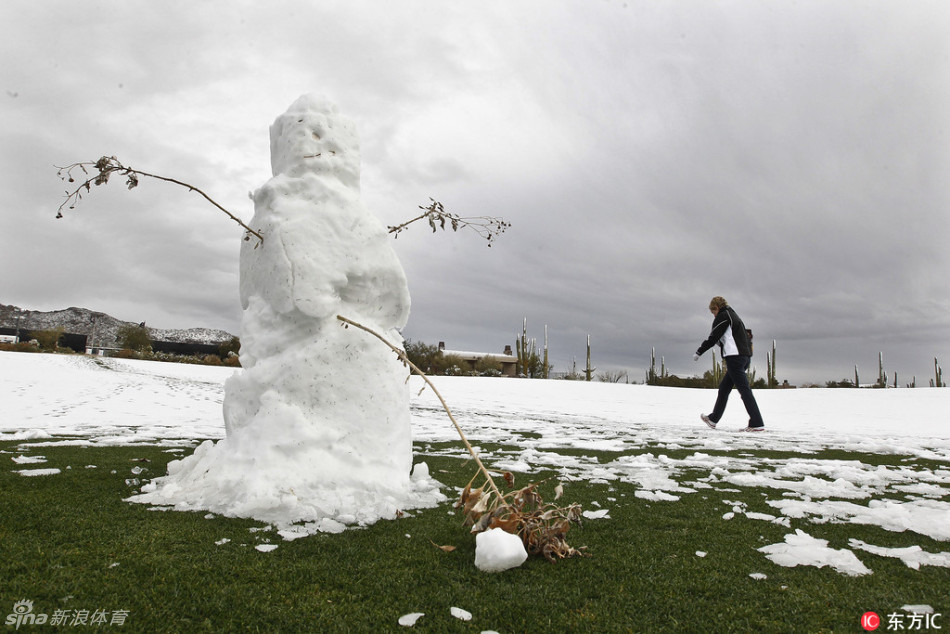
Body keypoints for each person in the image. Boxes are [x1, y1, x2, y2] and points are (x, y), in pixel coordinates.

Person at [693, 296, 765, 431]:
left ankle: (757, 423)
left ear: (716, 308)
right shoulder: (733, 315)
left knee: (744, 390)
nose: (713, 315)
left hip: (735, 358)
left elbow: (713, 337)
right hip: (744, 357)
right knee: (724, 389)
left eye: (712, 312)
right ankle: (713, 419)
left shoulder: (723, 316)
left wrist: (699, 352)